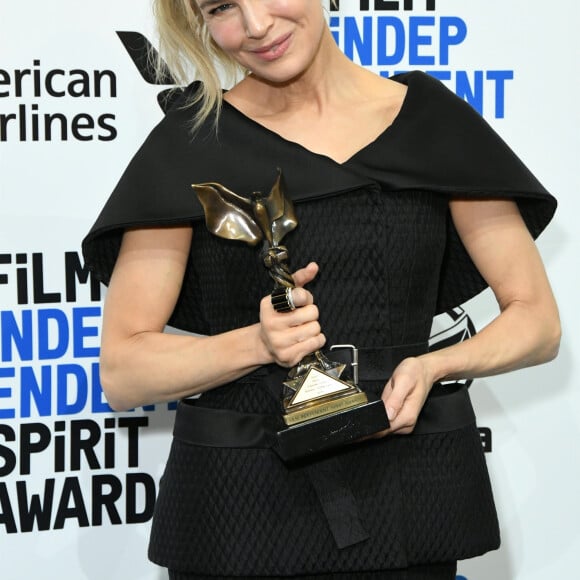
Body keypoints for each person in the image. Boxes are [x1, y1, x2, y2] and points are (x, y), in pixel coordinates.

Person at [82, 1, 560, 579]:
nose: (256, 26)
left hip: (407, 496)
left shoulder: (431, 122)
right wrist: (258, 343)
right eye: (223, 7)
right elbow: (124, 370)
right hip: (240, 512)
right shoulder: (191, 141)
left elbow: (536, 321)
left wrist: (435, 366)